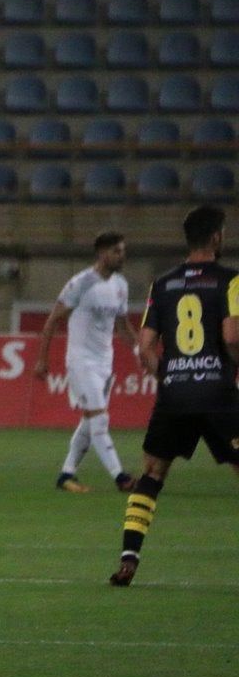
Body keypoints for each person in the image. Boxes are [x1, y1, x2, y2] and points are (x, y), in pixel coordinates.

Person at [110, 205, 239, 587]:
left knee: (151, 475)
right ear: (216, 237)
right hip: (217, 393)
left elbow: (145, 348)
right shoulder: (231, 280)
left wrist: (172, 377)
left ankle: (129, 559)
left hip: (175, 395)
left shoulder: (162, 283)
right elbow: (232, 337)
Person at [31, 232, 138, 494]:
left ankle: (66, 475)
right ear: (102, 254)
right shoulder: (81, 283)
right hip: (81, 362)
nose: (121, 256)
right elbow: (53, 321)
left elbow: (122, 325)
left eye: (123, 251)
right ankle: (121, 478)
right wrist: (42, 360)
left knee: (90, 424)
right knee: (99, 420)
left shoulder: (120, 285)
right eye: (116, 251)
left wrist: (139, 350)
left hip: (105, 363)